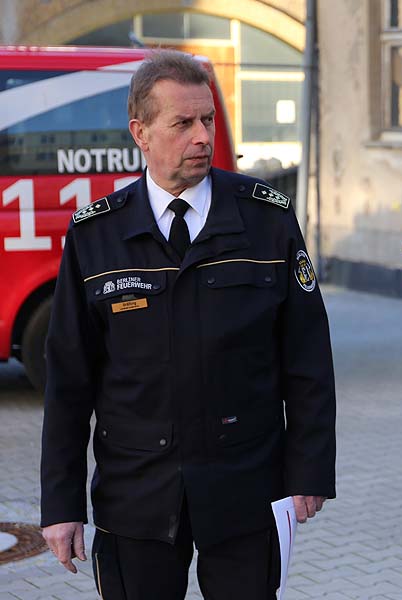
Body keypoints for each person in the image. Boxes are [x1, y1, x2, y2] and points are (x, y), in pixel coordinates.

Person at [40, 50, 336, 600]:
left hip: (245, 486)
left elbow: (308, 357)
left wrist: (310, 471)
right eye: (183, 123)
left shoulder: (266, 220)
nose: (202, 136)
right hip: (137, 496)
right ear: (141, 132)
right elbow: (68, 381)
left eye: (208, 120)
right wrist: (60, 506)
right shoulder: (96, 233)